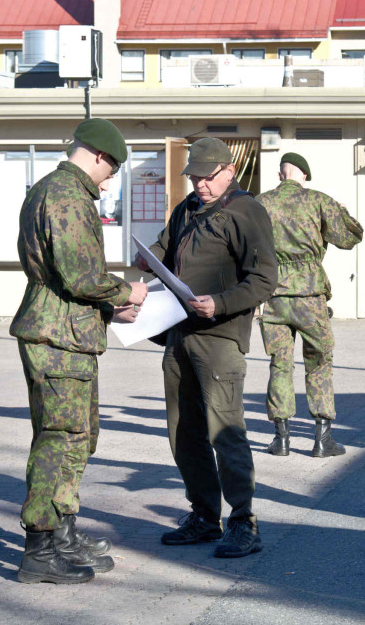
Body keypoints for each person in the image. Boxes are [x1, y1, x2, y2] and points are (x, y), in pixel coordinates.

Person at [10, 118, 146, 585]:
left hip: (67, 330)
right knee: (59, 439)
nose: (107, 183)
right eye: (111, 172)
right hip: (58, 336)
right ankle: (40, 548)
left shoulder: (55, 190)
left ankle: (62, 533)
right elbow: (81, 276)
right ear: (100, 157)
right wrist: (127, 292)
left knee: (76, 438)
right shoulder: (66, 195)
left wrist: (107, 311)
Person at [137, 137, 277, 559]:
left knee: (225, 432)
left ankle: (243, 522)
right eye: (194, 177)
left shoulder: (247, 211)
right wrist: (147, 259)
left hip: (219, 336)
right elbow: (163, 249)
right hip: (177, 331)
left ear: (229, 171)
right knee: (183, 430)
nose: (200, 184)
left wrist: (220, 303)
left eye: (207, 177)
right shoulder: (187, 208)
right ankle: (203, 515)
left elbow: (264, 278)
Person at [256, 152, 363, 457]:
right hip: (310, 294)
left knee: (280, 364)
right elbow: (350, 238)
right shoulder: (318, 200)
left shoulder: (260, 203)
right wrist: (342, 211)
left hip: (274, 293)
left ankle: (281, 439)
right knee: (319, 362)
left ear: (280, 175)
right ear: (303, 175)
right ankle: (322, 440)